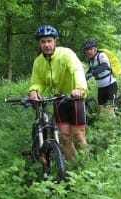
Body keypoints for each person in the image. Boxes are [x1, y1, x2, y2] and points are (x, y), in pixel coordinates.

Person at [28, 25, 88, 161]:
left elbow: (77, 69)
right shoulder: (38, 62)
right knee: (65, 137)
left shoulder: (66, 54)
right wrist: (34, 91)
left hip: (75, 97)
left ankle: (86, 165)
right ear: (39, 43)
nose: (46, 45)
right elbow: (38, 81)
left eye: (49, 41)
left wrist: (79, 88)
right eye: (43, 42)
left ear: (55, 41)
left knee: (78, 135)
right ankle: (73, 166)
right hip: (58, 98)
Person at [83, 38, 117, 116]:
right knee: (101, 109)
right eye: (87, 49)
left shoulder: (101, 55)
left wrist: (92, 74)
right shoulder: (91, 60)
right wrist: (83, 77)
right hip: (101, 87)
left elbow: (104, 66)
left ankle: (116, 126)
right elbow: (91, 69)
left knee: (110, 110)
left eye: (90, 49)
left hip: (110, 85)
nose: (88, 51)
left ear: (95, 49)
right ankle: (105, 126)